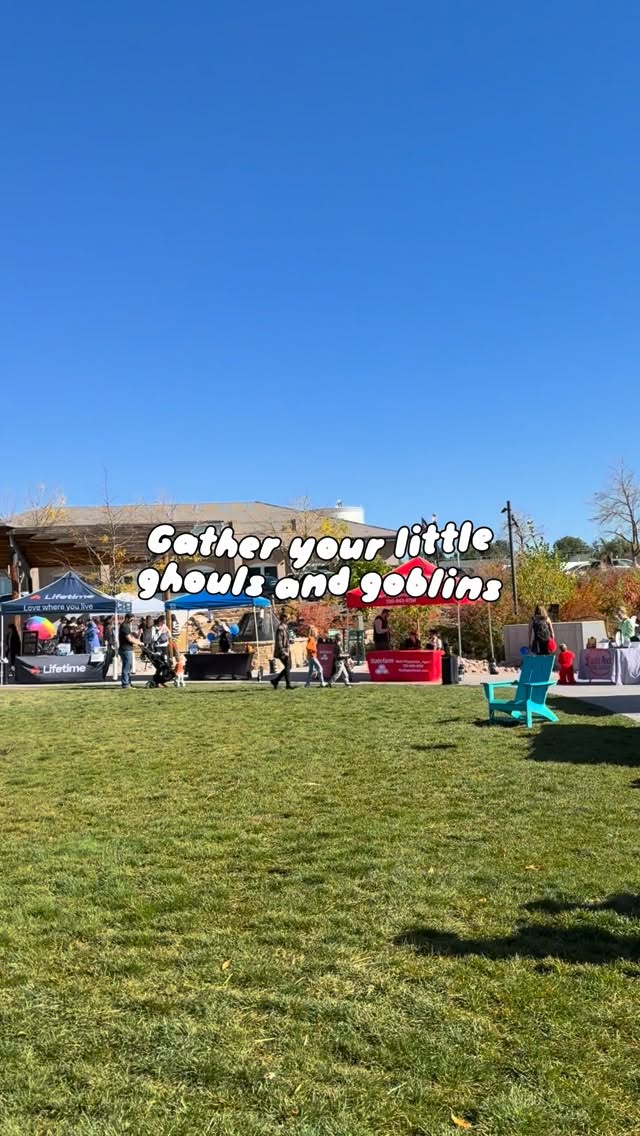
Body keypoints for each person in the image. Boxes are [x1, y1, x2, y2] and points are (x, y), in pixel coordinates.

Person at [271, 614, 294, 689]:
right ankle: (288, 684)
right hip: (282, 651)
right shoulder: (280, 628)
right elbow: (279, 642)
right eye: (287, 618)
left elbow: (285, 639)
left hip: (287, 649)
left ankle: (275, 681)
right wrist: (283, 652)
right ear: (283, 619)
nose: (288, 619)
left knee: (288, 667)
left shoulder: (285, 627)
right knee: (287, 667)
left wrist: (290, 641)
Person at [118, 615, 137, 688]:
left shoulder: (127, 626)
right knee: (126, 666)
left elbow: (131, 637)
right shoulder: (124, 626)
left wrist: (137, 640)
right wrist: (139, 643)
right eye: (131, 620)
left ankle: (128, 682)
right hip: (125, 649)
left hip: (128, 649)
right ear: (126, 618)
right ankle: (125, 683)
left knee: (129, 666)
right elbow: (129, 638)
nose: (132, 621)